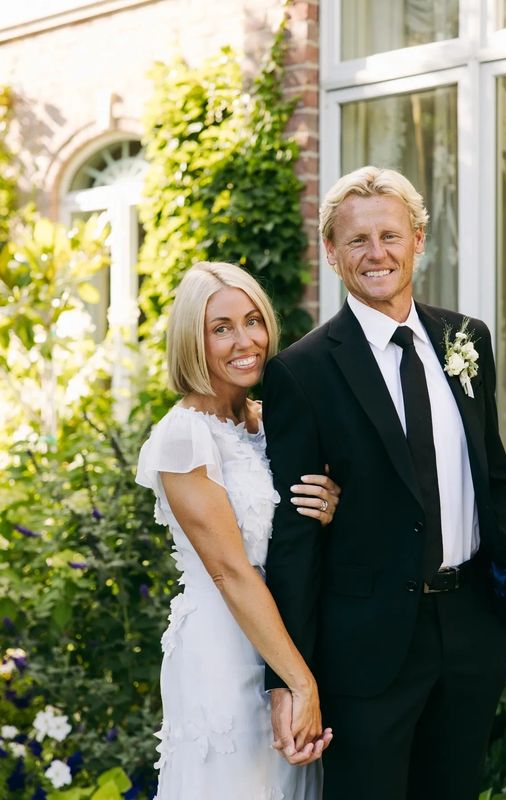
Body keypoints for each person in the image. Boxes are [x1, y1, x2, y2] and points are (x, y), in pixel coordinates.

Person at [262, 166, 506, 800]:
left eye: (390, 235)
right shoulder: (301, 374)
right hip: (368, 650)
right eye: (356, 240)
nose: (376, 253)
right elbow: (295, 542)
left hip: (472, 631)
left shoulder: (468, 339)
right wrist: (288, 679)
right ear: (331, 253)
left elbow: (491, 471)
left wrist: (500, 576)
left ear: (418, 240)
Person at [135, 261, 338, 799]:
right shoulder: (183, 439)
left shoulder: (270, 419)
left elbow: (293, 531)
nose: (245, 340)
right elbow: (230, 571)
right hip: (223, 652)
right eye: (220, 328)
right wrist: (299, 681)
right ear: (191, 341)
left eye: (253, 320)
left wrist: (329, 504)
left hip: (286, 633)